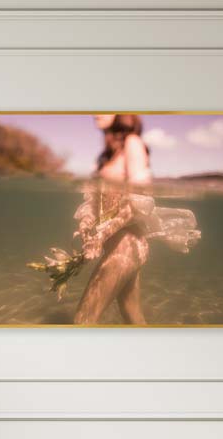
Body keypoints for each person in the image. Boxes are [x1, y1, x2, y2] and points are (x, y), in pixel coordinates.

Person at [73, 115, 199, 324]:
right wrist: (86, 225)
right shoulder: (107, 155)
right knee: (132, 315)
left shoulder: (132, 143)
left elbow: (137, 202)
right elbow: (95, 201)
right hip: (122, 247)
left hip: (127, 246)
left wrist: (101, 234)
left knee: (83, 319)